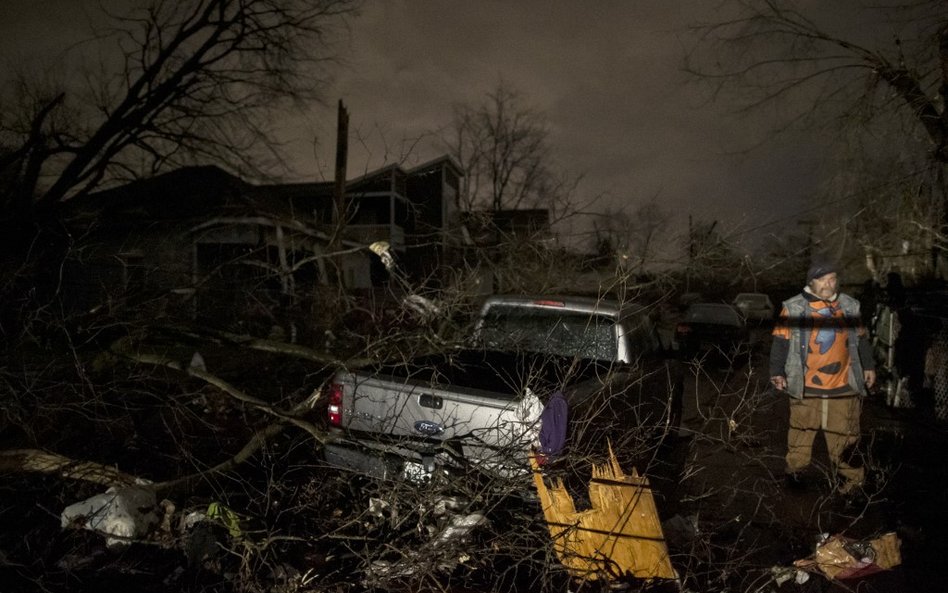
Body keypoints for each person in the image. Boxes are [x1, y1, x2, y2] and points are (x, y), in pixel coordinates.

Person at [769, 259, 876, 495]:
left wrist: (868, 366)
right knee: (801, 430)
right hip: (805, 384)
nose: (829, 284)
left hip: (844, 385)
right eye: (823, 279)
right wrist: (776, 372)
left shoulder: (849, 306)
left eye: (832, 279)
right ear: (812, 282)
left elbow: (862, 339)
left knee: (846, 436)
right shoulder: (794, 308)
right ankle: (795, 473)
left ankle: (853, 481)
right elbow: (780, 342)